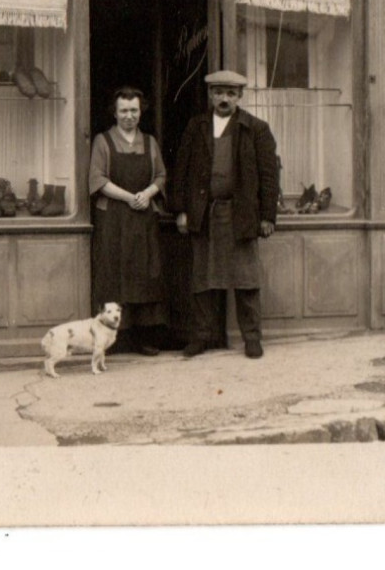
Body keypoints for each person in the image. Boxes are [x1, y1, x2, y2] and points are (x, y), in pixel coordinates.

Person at [171, 70, 279, 359]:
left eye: (231, 93)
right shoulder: (196, 127)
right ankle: (201, 337)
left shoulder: (256, 129)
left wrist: (267, 216)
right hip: (204, 213)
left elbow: (269, 177)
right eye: (219, 92)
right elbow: (181, 171)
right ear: (211, 95)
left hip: (241, 215)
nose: (224, 99)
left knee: (246, 281)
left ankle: (252, 339)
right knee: (203, 280)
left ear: (239, 97)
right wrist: (181, 210)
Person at [89, 86, 168, 355]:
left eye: (134, 110)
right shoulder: (103, 141)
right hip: (113, 218)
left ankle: (144, 338)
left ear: (140, 111)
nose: (129, 116)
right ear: (114, 112)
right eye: (123, 110)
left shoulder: (150, 142)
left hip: (143, 217)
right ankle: (114, 340)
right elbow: (98, 180)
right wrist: (129, 197)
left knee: (145, 275)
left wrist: (146, 194)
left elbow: (160, 177)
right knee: (114, 275)